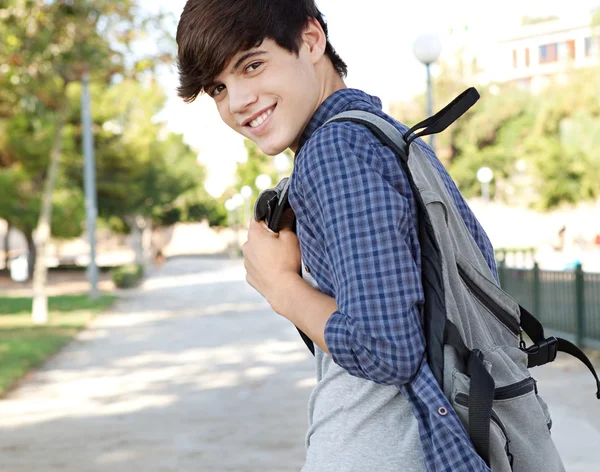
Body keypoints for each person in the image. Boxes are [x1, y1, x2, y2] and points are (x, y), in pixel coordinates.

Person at [176, 2, 495, 471]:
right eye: (218, 87)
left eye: (253, 65)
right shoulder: (390, 137)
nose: (237, 101)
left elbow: (386, 348)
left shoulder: (335, 151)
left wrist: (280, 286)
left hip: (383, 449)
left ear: (310, 40)